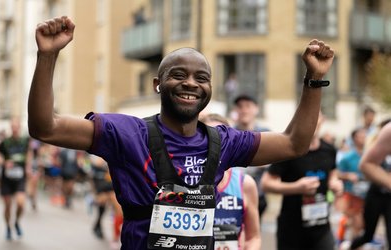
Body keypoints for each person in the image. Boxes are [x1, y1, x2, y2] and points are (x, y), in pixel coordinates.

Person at [29, 16, 334, 249]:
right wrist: (47, 56)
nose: (191, 83)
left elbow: (295, 144)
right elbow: (46, 127)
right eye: (179, 75)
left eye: (201, 77)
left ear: (210, 89)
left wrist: (314, 78)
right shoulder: (126, 134)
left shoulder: (224, 141)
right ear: (157, 84)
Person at [261, 112, 343, 250]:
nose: (312, 122)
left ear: (323, 120)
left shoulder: (329, 150)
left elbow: (333, 175)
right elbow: (266, 183)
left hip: (321, 225)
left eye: (316, 117)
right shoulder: (288, 150)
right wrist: (296, 187)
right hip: (292, 227)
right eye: (308, 117)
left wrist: (335, 184)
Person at [201, 113, 261, 250]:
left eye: (220, 137)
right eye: (207, 137)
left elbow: (254, 238)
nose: (214, 143)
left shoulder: (245, 184)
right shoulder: (184, 182)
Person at [350, 119, 391, 249]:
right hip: (375, 195)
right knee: (368, 234)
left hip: (389, 198)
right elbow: (366, 166)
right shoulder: (376, 145)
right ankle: (350, 247)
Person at [233, 94, 270, 219]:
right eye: (240, 106)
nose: (244, 110)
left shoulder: (265, 134)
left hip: (258, 196)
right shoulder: (230, 134)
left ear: (256, 109)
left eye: (248, 106)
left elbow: (269, 161)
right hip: (233, 196)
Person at [0, 118, 33, 240]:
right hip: (6, 178)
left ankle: (16, 222)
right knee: (7, 205)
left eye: (17, 126)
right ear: (10, 128)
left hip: (20, 178)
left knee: (20, 204)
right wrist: (4, 162)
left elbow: (29, 153)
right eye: (13, 126)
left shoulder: (24, 141)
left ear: (20, 128)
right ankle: (8, 227)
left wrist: (28, 167)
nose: (15, 129)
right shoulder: (5, 142)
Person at [336, 128, 367, 243]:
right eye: (361, 136)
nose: (364, 138)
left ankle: (344, 226)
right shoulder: (347, 157)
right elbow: (337, 174)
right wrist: (348, 176)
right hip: (352, 195)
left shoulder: (369, 155)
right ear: (354, 139)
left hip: (367, 196)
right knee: (357, 224)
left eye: (365, 135)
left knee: (361, 224)